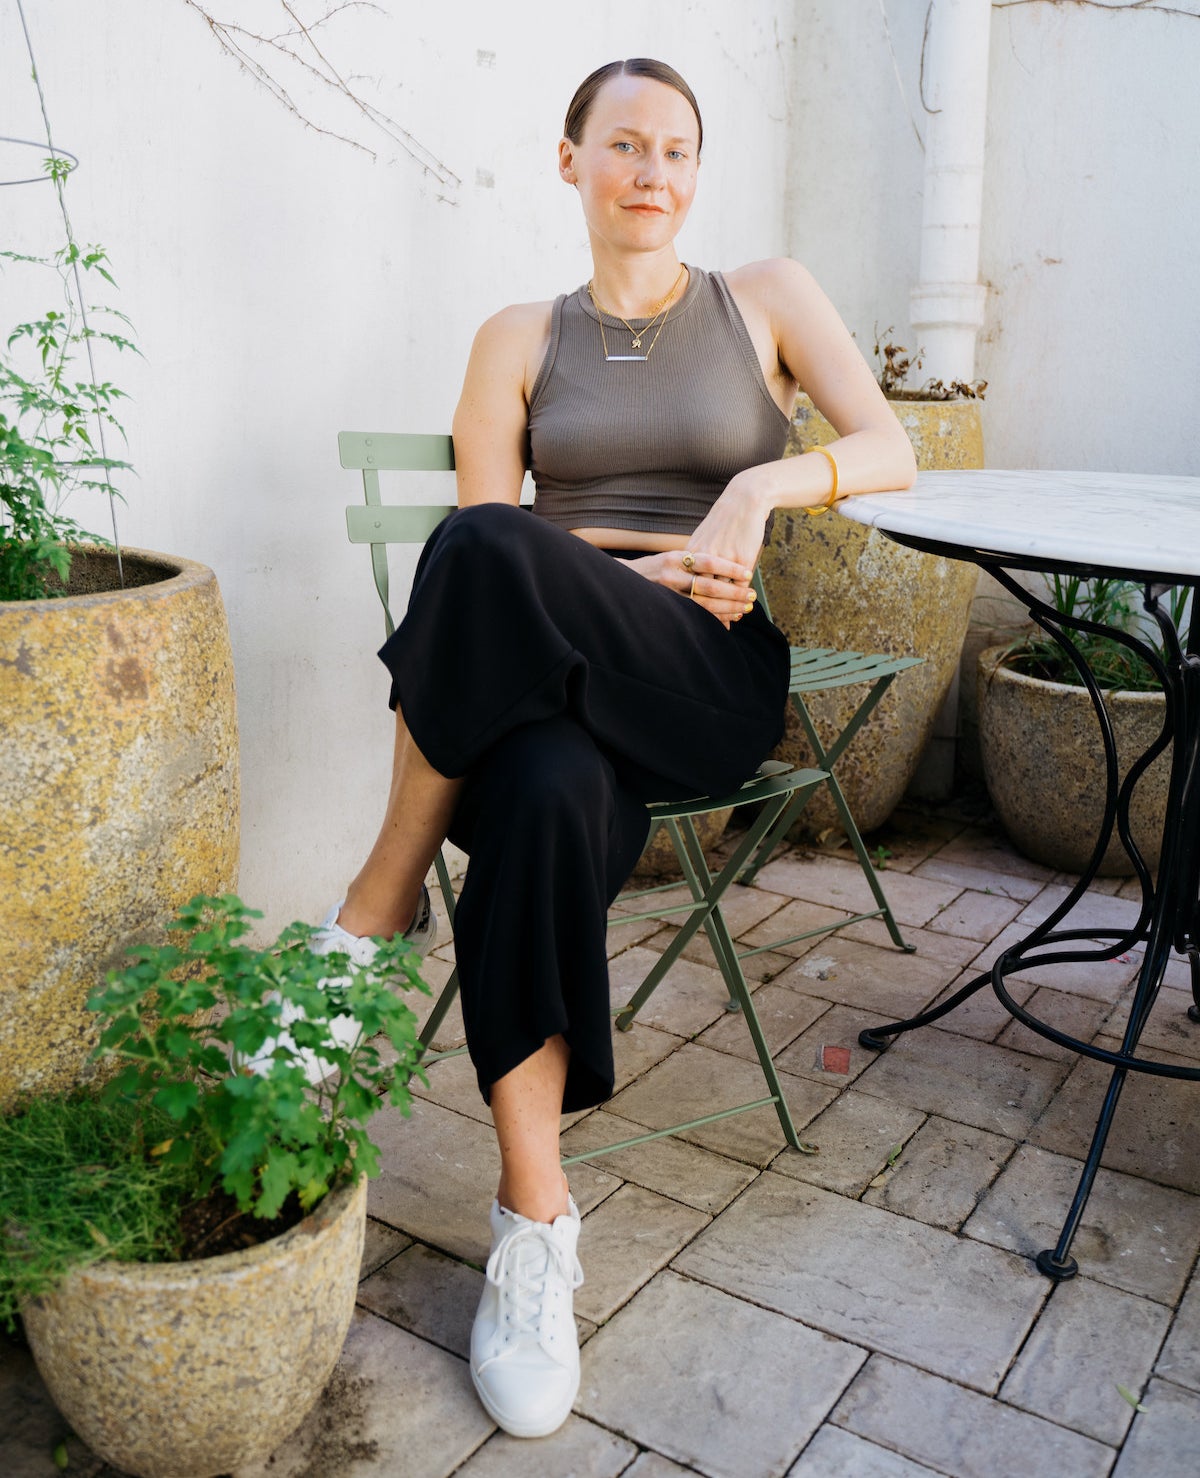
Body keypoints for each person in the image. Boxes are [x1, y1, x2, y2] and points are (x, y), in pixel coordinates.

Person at [301, 58, 915, 1439]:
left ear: (699, 174)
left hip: (706, 667)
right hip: (556, 687)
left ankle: (370, 910)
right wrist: (623, 580)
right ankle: (536, 1227)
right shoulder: (519, 335)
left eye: (677, 149)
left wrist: (759, 484)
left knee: (494, 566)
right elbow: (481, 559)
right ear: (568, 160)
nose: (652, 170)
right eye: (623, 144)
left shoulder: (764, 300)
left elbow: (891, 448)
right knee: (537, 787)